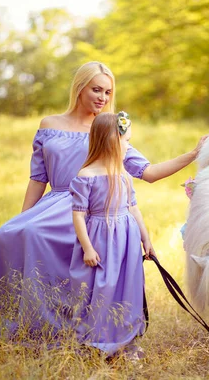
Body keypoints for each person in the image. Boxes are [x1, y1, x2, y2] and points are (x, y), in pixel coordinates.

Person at [0, 61, 205, 342]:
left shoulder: (108, 129)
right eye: (97, 90)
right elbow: (38, 179)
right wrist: (25, 217)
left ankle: (79, 326)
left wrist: (193, 154)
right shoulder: (49, 125)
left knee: (49, 240)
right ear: (80, 88)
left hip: (91, 209)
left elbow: (149, 173)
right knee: (14, 233)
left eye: (108, 92)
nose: (103, 98)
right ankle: (24, 319)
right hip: (55, 204)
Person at [69, 111, 151, 359]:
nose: (128, 146)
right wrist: (87, 248)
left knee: (129, 287)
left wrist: (146, 239)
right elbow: (78, 215)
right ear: (111, 140)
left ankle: (127, 341)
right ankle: (96, 338)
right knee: (100, 288)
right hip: (100, 240)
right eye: (126, 141)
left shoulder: (124, 175)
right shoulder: (87, 176)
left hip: (127, 241)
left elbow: (133, 208)